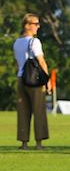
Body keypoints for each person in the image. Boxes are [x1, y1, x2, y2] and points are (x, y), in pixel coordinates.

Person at [14, 13, 50, 150]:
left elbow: (18, 63)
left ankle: (24, 143)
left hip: (21, 78)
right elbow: (41, 61)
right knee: (39, 110)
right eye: (35, 24)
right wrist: (47, 80)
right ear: (27, 25)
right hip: (34, 81)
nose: (38, 27)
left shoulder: (17, 42)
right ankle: (39, 143)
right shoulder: (35, 42)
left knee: (23, 111)